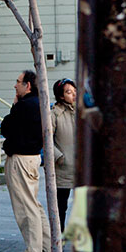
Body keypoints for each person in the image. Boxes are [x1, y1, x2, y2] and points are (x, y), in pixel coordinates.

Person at [0, 70, 50, 252]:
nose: (15, 85)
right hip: (32, 158)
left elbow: (5, 128)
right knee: (34, 204)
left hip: (20, 159)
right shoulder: (40, 104)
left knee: (25, 207)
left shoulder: (24, 106)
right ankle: (47, 247)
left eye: (18, 82)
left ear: (28, 85)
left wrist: (14, 106)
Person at [51, 78, 76, 231]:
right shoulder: (55, 114)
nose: (73, 95)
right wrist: (59, 157)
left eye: (74, 91)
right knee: (61, 207)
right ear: (61, 96)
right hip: (63, 169)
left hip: (83, 169)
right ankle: (57, 240)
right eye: (68, 92)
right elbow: (45, 139)